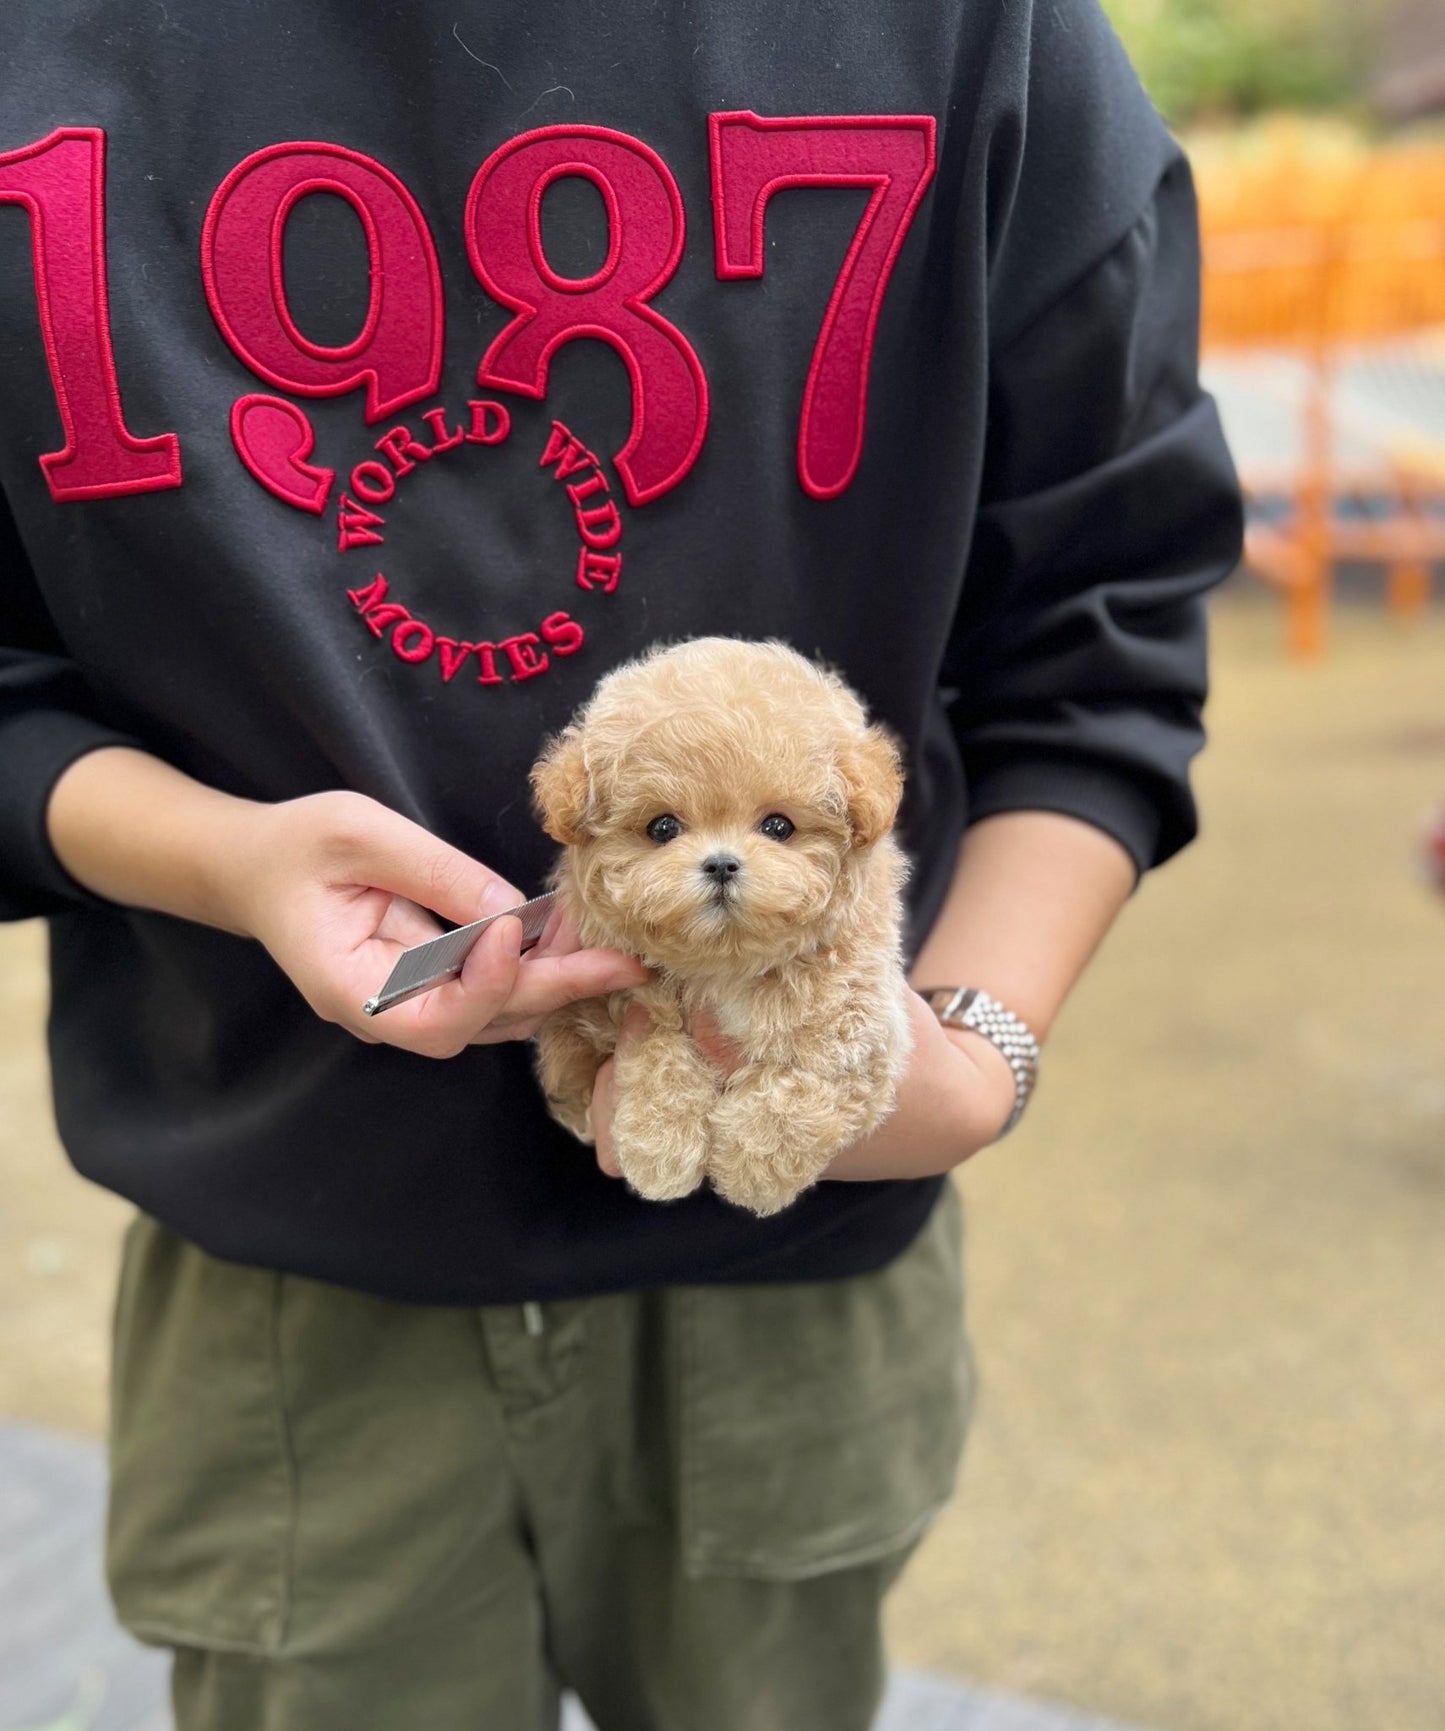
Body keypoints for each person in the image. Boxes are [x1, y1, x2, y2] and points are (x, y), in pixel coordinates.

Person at [0, 0, 1242, 1726]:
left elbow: (1102, 623)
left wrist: (969, 1052)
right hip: (289, 1280)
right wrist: (222, 859)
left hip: (795, 1248)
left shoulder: (964, 32)